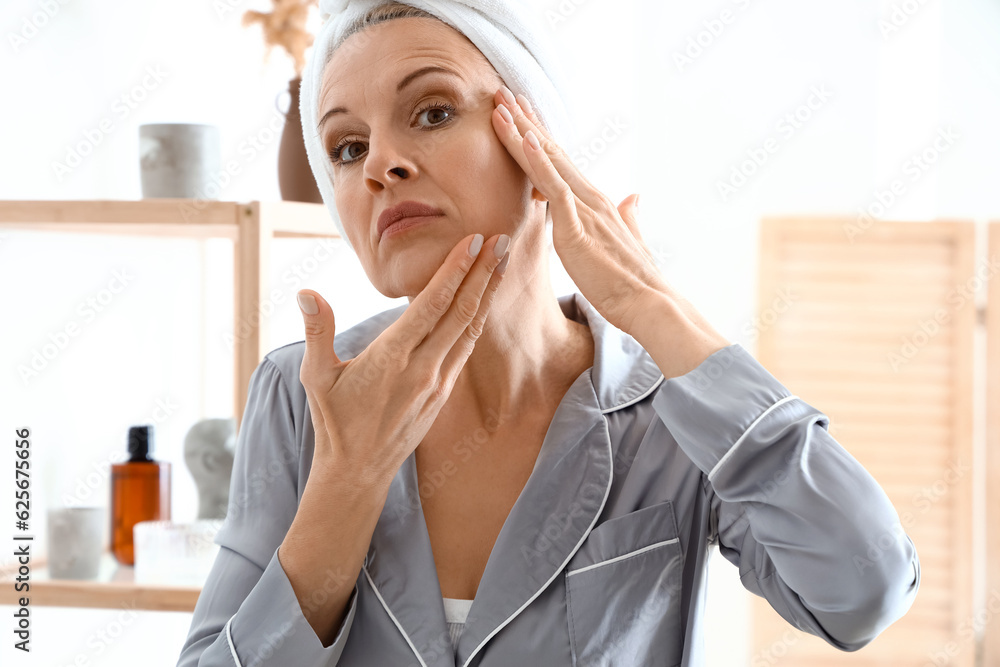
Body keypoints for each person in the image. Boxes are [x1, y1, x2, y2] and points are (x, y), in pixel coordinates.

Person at [176, 1, 921, 666]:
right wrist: (346, 483)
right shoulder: (303, 395)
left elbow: (863, 589)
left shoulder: (674, 402)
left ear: (537, 144)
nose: (379, 165)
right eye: (346, 147)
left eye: (432, 112)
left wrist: (647, 300)